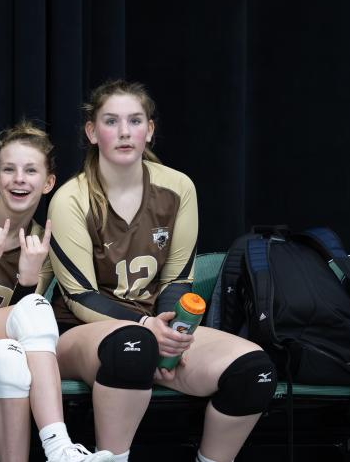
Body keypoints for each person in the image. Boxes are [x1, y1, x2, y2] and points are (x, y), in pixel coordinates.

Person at [48, 80, 277, 462]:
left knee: (254, 371)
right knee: (132, 348)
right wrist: (146, 331)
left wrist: (172, 335)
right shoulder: (71, 198)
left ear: (149, 130)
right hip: (82, 330)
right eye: (111, 121)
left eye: (135, 120)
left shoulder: (177, 187)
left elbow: (177, 277)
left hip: (156, 325)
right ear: (92, 132)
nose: (124, 132)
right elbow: (79, 295)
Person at [0, 121, 113, 462]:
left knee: (11, 358)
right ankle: (59, 446)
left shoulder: (40, 242)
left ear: (48, 183)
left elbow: (23, 338)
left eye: (31, 171)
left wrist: (29, 280)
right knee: (36, 307)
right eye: (9, 170)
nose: (19, 179)